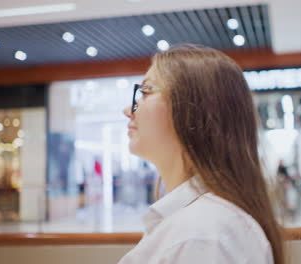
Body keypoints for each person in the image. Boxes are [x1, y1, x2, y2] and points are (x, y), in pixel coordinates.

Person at [119, 45, 284, 264]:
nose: (128, 110)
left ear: (192, 112)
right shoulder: (200, 224)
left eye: (146, 92)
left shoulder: (203, 235)